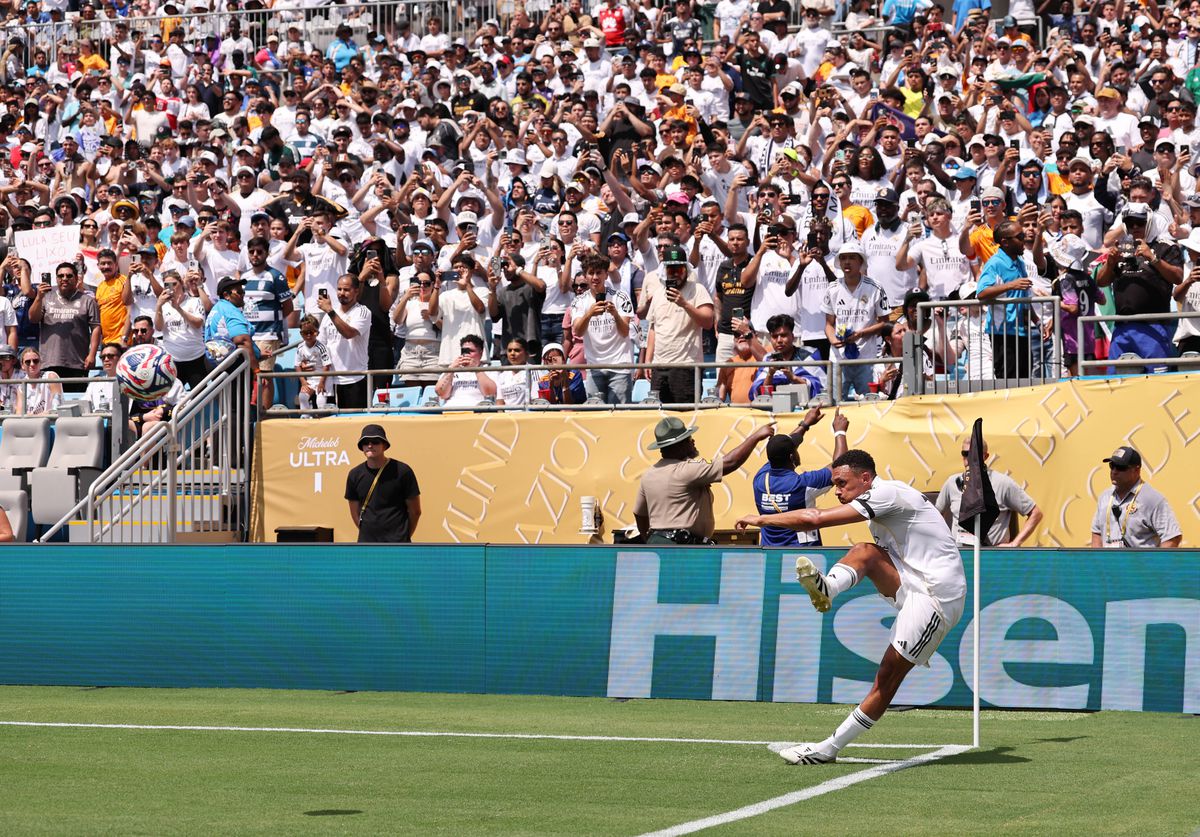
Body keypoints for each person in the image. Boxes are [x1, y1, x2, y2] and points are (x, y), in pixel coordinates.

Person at [735, 449, 967, 765]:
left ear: (865, 478)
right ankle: (828, 588)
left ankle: (828, 749)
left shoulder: (885, 494)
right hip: (911, 581)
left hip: (937, 596)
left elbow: (814, 519)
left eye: (843, 484)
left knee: (887, 679)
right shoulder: (882, 496)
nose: (839, 492)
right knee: (865, 552)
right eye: (835, 485)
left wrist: (761, 518)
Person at [634, 416, 775, 546]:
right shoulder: (687, 470)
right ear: (678, 445)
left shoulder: (649, 474)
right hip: (682, 548)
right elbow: (730, 462)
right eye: (688, 439)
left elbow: (639, 514)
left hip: (659, 543)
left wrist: (649, 538)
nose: (693, 442)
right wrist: (756, 436)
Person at [752, 408, 850, 547]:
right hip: (803, 556)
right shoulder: (802, 484)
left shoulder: (761, 477)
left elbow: (784, 445)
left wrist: (805, 424)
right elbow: (840, 465)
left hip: (771, 555)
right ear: (792, 456)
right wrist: (840, 431)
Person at [935, 436, 1044, 547]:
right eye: (965, 454)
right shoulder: (952, 482)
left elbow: (1036, 513)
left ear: (985, 456)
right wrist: (943, 541)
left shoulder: (1003, 483)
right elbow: (935, 515)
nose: (970, 459)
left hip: (992, 556)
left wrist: (1014, 544)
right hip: (960, 555)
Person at [26, 261, 101, 394]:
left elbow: (96, 328)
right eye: (60, 276)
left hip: (77, 363)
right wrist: (38, 297)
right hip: (49, 362)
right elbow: (33, 318)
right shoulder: (46, 297)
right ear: (56, 278)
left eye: (69, 276)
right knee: (52, 405)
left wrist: (92, 355)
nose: (64, 279)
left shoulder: (87, 300)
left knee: (74, 405)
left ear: (77, 278)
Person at [1090, 446, 1182, 549]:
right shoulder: (1104, 497)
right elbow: (1097, 532)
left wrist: (1155, 564)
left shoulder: (1153, 499)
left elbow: (1172, 538)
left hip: (1140, 565)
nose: (1114, 471)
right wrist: (1098, 562)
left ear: (1136, 470)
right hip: (1109, 564)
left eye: (1121, 467)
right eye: (1112, 466)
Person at [344, 423, 422, 544]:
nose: (370, 445)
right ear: (361, 446)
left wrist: (403, 536)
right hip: (367, 544)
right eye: (365, 442)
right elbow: (355, 512)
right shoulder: (354, 474)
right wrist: (368, 532)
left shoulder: (402, 471)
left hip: (397, 544)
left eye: (375, 441)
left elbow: (415, 511)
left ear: (384, 445)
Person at [317, 274, 372, 409]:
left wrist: (330, 311)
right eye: (339, 289)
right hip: (331, 380)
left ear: (356, 291)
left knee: (354, 424)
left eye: (346, 290)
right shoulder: (328, 316)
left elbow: (349, 333)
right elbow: (321, 345)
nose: (342, 293)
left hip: (354, 379)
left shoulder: (362, 312)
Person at [295, 314, 333, 414]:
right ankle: (305, 416)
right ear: (301, 333)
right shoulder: (300, 348)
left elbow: (327, 365)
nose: (308, 335)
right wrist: (303, 381)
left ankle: (321, 419)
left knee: (320, 401)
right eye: (305, 333)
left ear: (317, 333)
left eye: (311, 332)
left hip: (322, 379)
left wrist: (322, 382)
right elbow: (297, 365)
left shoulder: (321, 347)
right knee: (302, 397)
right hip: (310, 380)